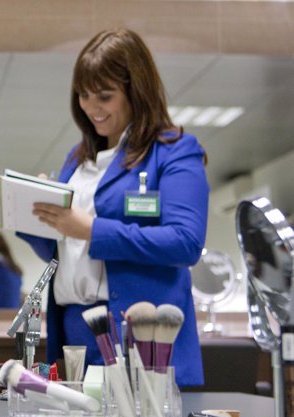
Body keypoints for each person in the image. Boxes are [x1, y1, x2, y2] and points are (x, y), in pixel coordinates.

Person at [18, 28, 208, 387]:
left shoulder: (174, 150)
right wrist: (38, 216)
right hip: (75, 331)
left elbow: (185, 242)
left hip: (139, 337)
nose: (91, 107)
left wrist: (90, 229)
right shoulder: (77, 159)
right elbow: (66, 251)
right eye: (83, 95)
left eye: (104, 96)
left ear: (136, 92)